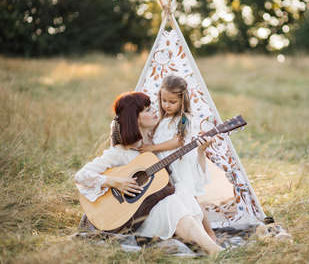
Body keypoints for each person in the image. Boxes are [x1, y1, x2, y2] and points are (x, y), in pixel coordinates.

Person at [74, 92, 222, 254]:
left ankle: (208, 249)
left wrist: (200, 151)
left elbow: (193, 181)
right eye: (147, 110)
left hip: (155, 213)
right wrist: (115, 182)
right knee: (172, 203)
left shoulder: (157, 147)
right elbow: (81, 176)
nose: (154, 111)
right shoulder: (119, 153)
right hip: (134, 221)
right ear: (134, 118)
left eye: (152, 107)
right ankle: (215, 252)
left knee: (182, 192)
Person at [138, 75, 216, 240]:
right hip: (165, 166)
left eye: (172, 102)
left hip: (181, 165)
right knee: (176, 199)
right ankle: (185, 229)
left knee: (191, 197)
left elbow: (178, 141)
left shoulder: (184, 118)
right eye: (163, 100)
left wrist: (153, 148)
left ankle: (209, 233)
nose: (166, 105)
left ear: (183, 100)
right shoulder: (161, 118)